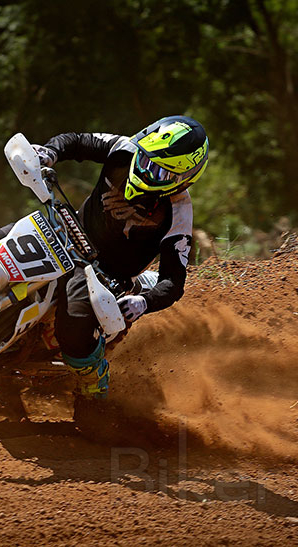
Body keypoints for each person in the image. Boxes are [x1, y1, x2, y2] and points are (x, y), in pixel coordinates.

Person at [29, 115, 210, 399]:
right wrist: (50, 152)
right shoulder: (126, 148)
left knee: (73, 327)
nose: (145, 171)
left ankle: (93, 380)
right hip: (65, 233)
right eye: (146, 160)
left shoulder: (179, 211)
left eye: (159, 172)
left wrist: (144, 302)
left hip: (102, 275)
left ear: (182, 180)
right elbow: (78, 141)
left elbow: (173, 281)